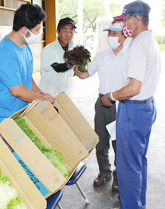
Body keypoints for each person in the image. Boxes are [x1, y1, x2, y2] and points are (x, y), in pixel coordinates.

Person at [101, 1, 161, 209]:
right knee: (139, 161)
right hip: (147, 108)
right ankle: (139, 203)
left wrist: (111, 95)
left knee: (127, 166)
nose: (124, 24)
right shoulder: (150, 41)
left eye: (126, 19)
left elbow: (134, 87)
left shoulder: (138, 46)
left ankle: (131, 206)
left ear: (136, 20)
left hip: (133, 109)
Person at [74, 22, 127, 192]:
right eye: (109, 33)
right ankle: (105, 172)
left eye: (114, 33)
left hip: (121, 104)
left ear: (123, 36)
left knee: (119, 142)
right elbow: (85, 73)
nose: (110, 37)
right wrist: (77, 69)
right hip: (101, 103)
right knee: (101, 139)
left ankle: (119, 176)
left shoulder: (130, 56)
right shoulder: (102, 55)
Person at [0, 4, 55, 127]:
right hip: (2, 118)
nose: (39, 33)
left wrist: (41, 94)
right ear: (24, 30)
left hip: (19, 114)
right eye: (37, 30)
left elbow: (26, 76)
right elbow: (17, 91)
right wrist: (41, 100)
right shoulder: (5, 53)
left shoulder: (24, 46)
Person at [39, 17, 76, 98]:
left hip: (65, 95)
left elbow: (73, 73)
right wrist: (72, 63)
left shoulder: (74, 49)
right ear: (58, 32)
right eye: (65, 31)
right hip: (48, 95)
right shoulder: (49, 49)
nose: (68, 35)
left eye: (71, 31)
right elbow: (58, 67)